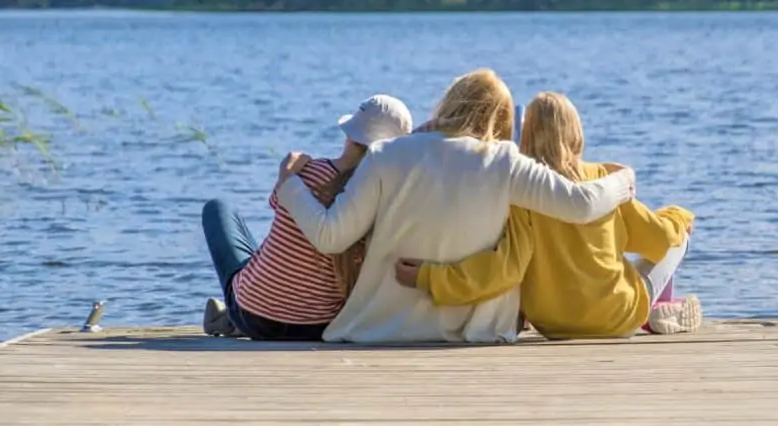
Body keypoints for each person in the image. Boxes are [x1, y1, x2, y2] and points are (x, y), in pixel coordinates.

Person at [275, 68, 637, 344]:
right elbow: (582, 205)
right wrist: (623, 181)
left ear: (448, 103)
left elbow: (329, 236)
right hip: (475, 334)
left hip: (380, 329)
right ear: (501, 120)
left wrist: (290, 185)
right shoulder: (504, 162)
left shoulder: (387, 154)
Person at [395, 92, 700, 338]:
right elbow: (658, 241)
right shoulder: (603, 179)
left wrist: (431, 276)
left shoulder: (523, 193)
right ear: (576, 132)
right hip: (616, 316)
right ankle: (656, 309)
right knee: (676, 238)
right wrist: (680, 216)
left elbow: (505, 268)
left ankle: (656, 310)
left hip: (551, 321)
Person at [201, 94, 413, 341]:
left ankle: (234, 314)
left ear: (349, 136)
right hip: (318, 326)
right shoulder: (384, 198)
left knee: (218, 209)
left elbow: (276, 203)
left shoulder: (307, 173)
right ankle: (230, 316)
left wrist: (292, 172)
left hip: (253, 314)